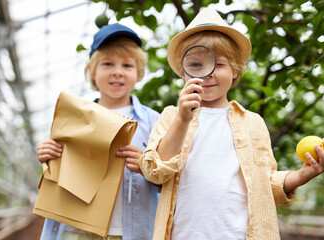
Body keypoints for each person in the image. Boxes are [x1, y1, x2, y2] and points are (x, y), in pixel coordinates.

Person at [138, 8, 324, 240]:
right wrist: (183, 118)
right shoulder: (170, 116)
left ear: (235, 71)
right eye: (196, 65)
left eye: (219, 65)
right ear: (183, 72)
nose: (208, 74)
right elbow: (155, 171)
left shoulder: (253, 123)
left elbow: (265, 184)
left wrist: (300, 176)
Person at [37, 23, 160, 240]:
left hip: (127, 231)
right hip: (75, 228)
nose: (117, 72)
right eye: (108, 64)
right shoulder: (73, 119)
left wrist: (147, 166)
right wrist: (48, 156)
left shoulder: (154, 122)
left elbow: (167, 181)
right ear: (92, 72)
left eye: (127, 66)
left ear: (138, 72)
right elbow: (58, 171)